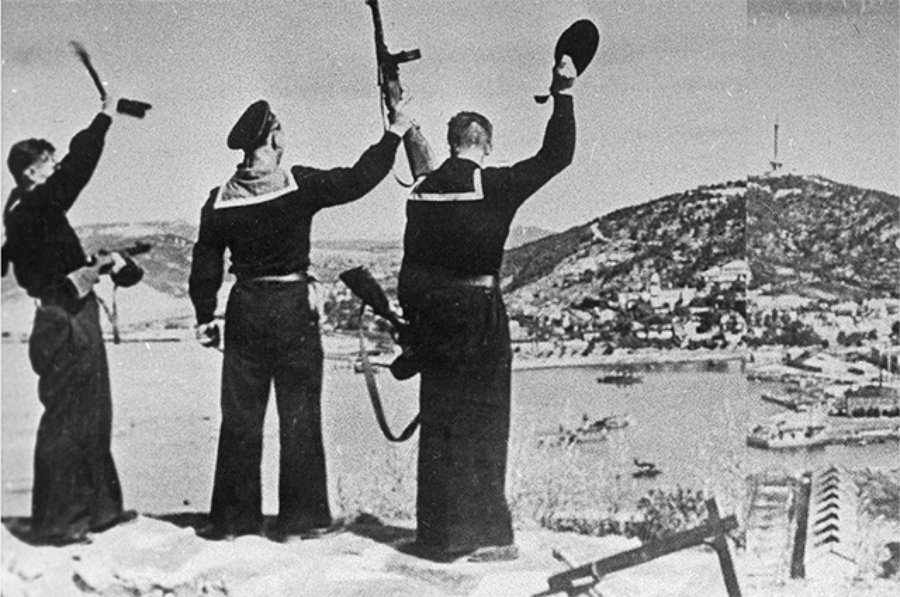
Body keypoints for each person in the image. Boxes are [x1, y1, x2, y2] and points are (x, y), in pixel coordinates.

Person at [188, 98, 413, 541]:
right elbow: (359, 179)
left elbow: (205, 262)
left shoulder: (218, 200)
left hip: (245, 309)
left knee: (240, 417)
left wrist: (204, 315)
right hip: (292, 308)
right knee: (300, 415)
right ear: (274, 137)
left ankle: (233, 521)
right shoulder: (298, 184)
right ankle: (302, 521)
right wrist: (394, 132)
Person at [396, 55, 578, 562]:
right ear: (487, 145)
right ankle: (490, 537)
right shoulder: (494, 187)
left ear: (452, 141)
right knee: (485, 421)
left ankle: (436, 536)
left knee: (440, 422)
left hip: (433, 317)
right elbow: (557, 155)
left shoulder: (421, 192)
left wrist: (413, 323)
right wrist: (564, 92)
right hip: (479, 314)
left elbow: (411, 266)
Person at [2, 97, 143, 546]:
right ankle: (59, 522)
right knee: (66, 419)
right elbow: (77, 169)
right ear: (32, 172)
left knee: (94, 412)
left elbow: (52, 266)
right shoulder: (33, 207)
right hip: (63, 319)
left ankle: (100, 511)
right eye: (50, 163)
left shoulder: (27, 210)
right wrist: (103, 118)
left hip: (72, 315)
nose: (57, 167)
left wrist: (94, 266)